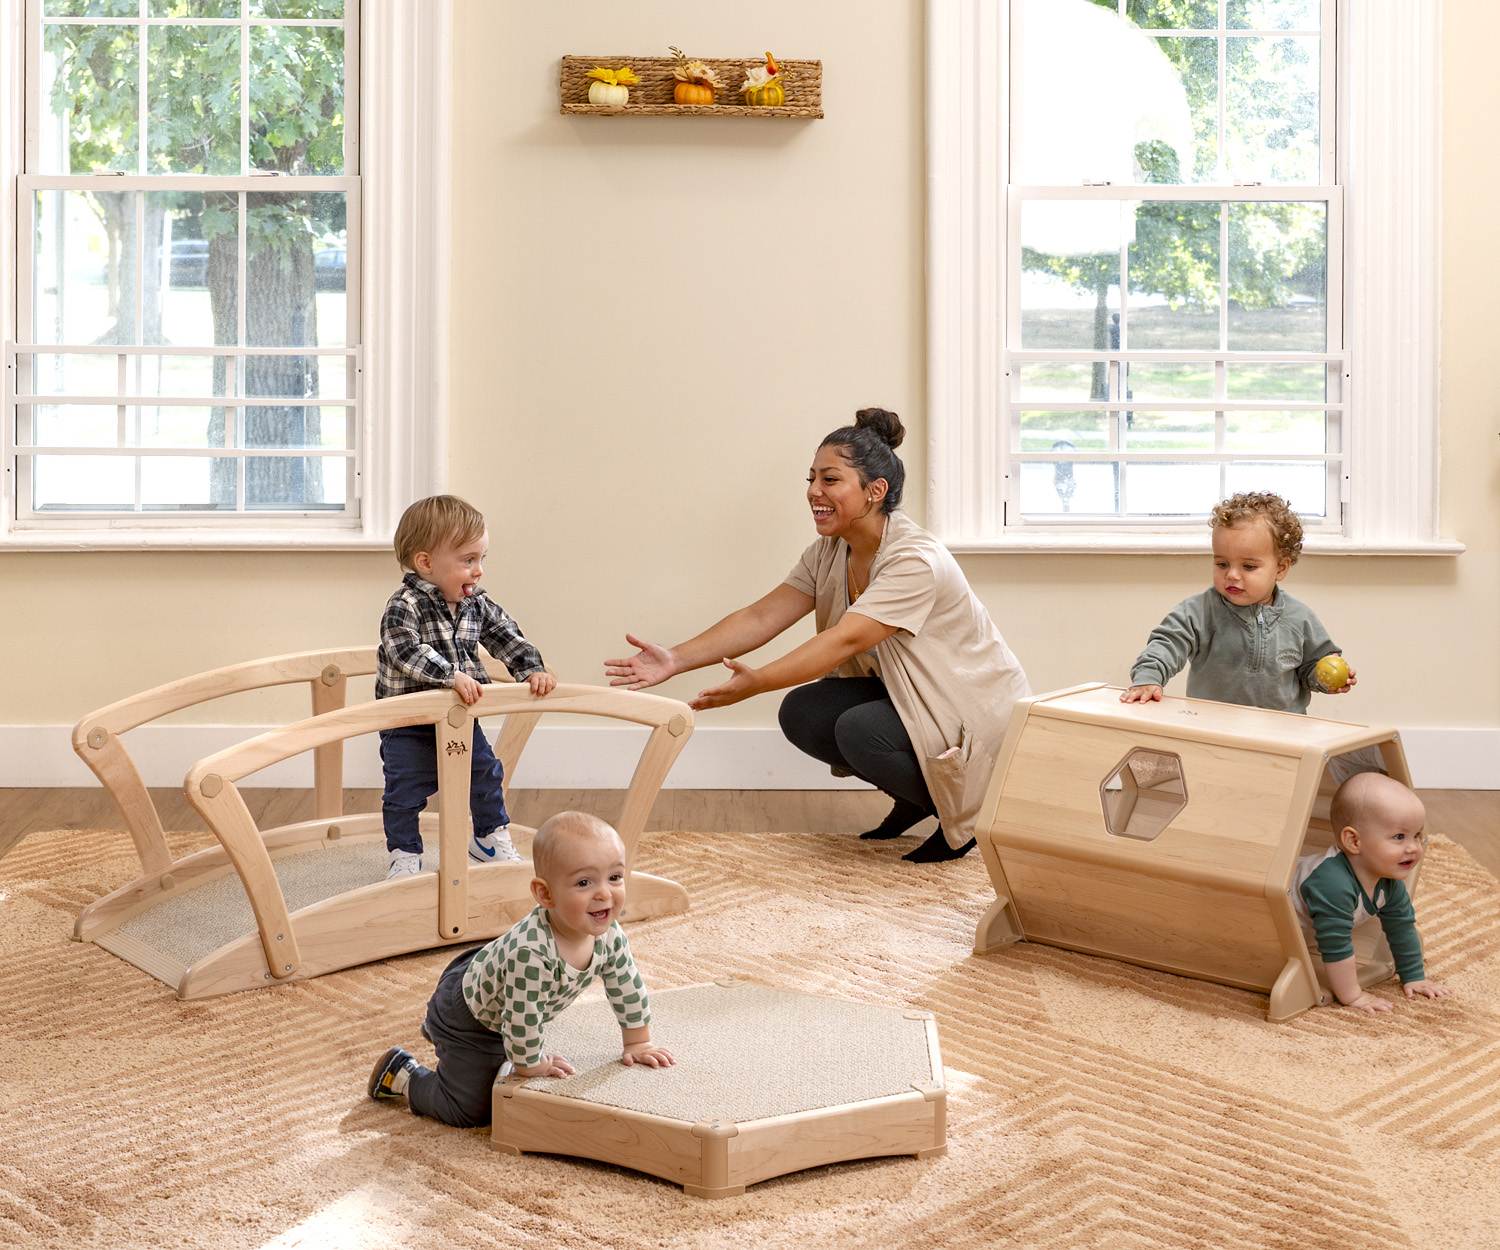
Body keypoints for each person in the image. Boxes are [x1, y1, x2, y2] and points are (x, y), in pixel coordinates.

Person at [605, 408, 1030, 863]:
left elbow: (845, 641)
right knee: (805, 712)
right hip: (914, 698)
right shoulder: (831, 550)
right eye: (811, 479)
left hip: (967, 711)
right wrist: (676, 658)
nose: (813, 492)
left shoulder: (914, 561)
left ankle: (965, 819)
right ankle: (916, 798)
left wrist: (757, 682)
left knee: (860, 731)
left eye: (830, 480)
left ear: (875, 491)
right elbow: (762, 614)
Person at [367, 811, 674, 1128]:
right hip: (469, 1018)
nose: (604, 893)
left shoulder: (609, 934)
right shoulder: (531, 956)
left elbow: (627, 987)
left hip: (490, 980)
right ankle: (403, 1073)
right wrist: (530, 1066)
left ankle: (443, 1039)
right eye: (584, 882)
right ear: (545, 894)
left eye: (614, 877)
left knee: (521, 1038)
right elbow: (522, 1020)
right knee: (473, 1109)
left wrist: (637, 1043)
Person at [377, 494, 556, 880]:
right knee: (404, 791)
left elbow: (506, 635)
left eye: (481, 560)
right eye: (468, 560)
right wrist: (450, 676)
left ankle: (489, 838)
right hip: (409, 722)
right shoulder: (404, 605)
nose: (477, 571)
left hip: (458, 718)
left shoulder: (475, 603)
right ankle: (404, 855)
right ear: (426, 562)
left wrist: (531, 669)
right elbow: (405, 650)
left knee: (486, 775)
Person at [1121, 491, 1355, 713]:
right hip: (1212, 729)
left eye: (1248, 566)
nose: (1232, 575)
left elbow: (1313, 666)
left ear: (1281, 568)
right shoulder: (1198, 612)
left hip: (1284, 732)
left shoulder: (1300, 618)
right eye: (1222, 564)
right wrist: (1148, 678)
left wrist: (1327, 679)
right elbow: (1167, 644)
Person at [1294, 772, 1453, 1014]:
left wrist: (1414, 976)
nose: (1413, 847)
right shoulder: (1332, 884)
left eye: (1417, 835)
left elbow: (1401, 926)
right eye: (1399, 837)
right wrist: (1353, 995)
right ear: (1354, 841)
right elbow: (1335, 946)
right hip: (1267, 915)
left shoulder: (1388, 882)